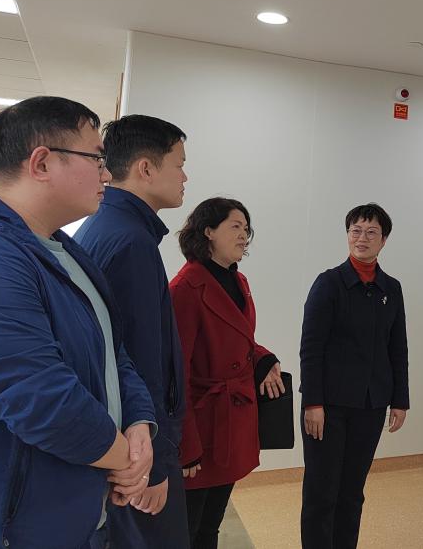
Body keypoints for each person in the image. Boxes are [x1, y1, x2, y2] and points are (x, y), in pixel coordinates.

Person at [0, 96, 155, 549]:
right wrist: (125, 459)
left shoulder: (66, 252)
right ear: (42, 162)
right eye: (97, 159)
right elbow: (34, 394)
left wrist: (139, 422)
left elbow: (113, 352)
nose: (107, 175)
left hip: (73, 507)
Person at [75, 114, 190, 548]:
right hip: (136, 451)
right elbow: (140, 361)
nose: (185, 177)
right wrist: (154, 464)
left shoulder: (107, 227)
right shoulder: (131, 242)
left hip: (122, 446)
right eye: (179, 164)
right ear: (146, 168)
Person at [170, 197, 283, 549]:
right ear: (208, 231)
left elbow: (241, 338)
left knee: (211, 525)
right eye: (235, 226)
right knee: (186, 531)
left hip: (232, 421)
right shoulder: (185, 289)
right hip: (203, 425)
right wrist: (186, 444)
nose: (244, 235)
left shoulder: (239, 280)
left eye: (246, 228)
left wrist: (264, 358)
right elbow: (176, 371)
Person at [299, 202, 410, 549]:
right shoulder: (329, 284)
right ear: (347, 235)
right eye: (356, 231)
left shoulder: (391, 288)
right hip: (328, 407)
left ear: (384, 240)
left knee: (351, 492)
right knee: (321, 493)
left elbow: (398, 348)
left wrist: (400, 400)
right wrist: (312, 403)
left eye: (371, 232)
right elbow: (311, 348)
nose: (362, 238)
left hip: (371, 405)